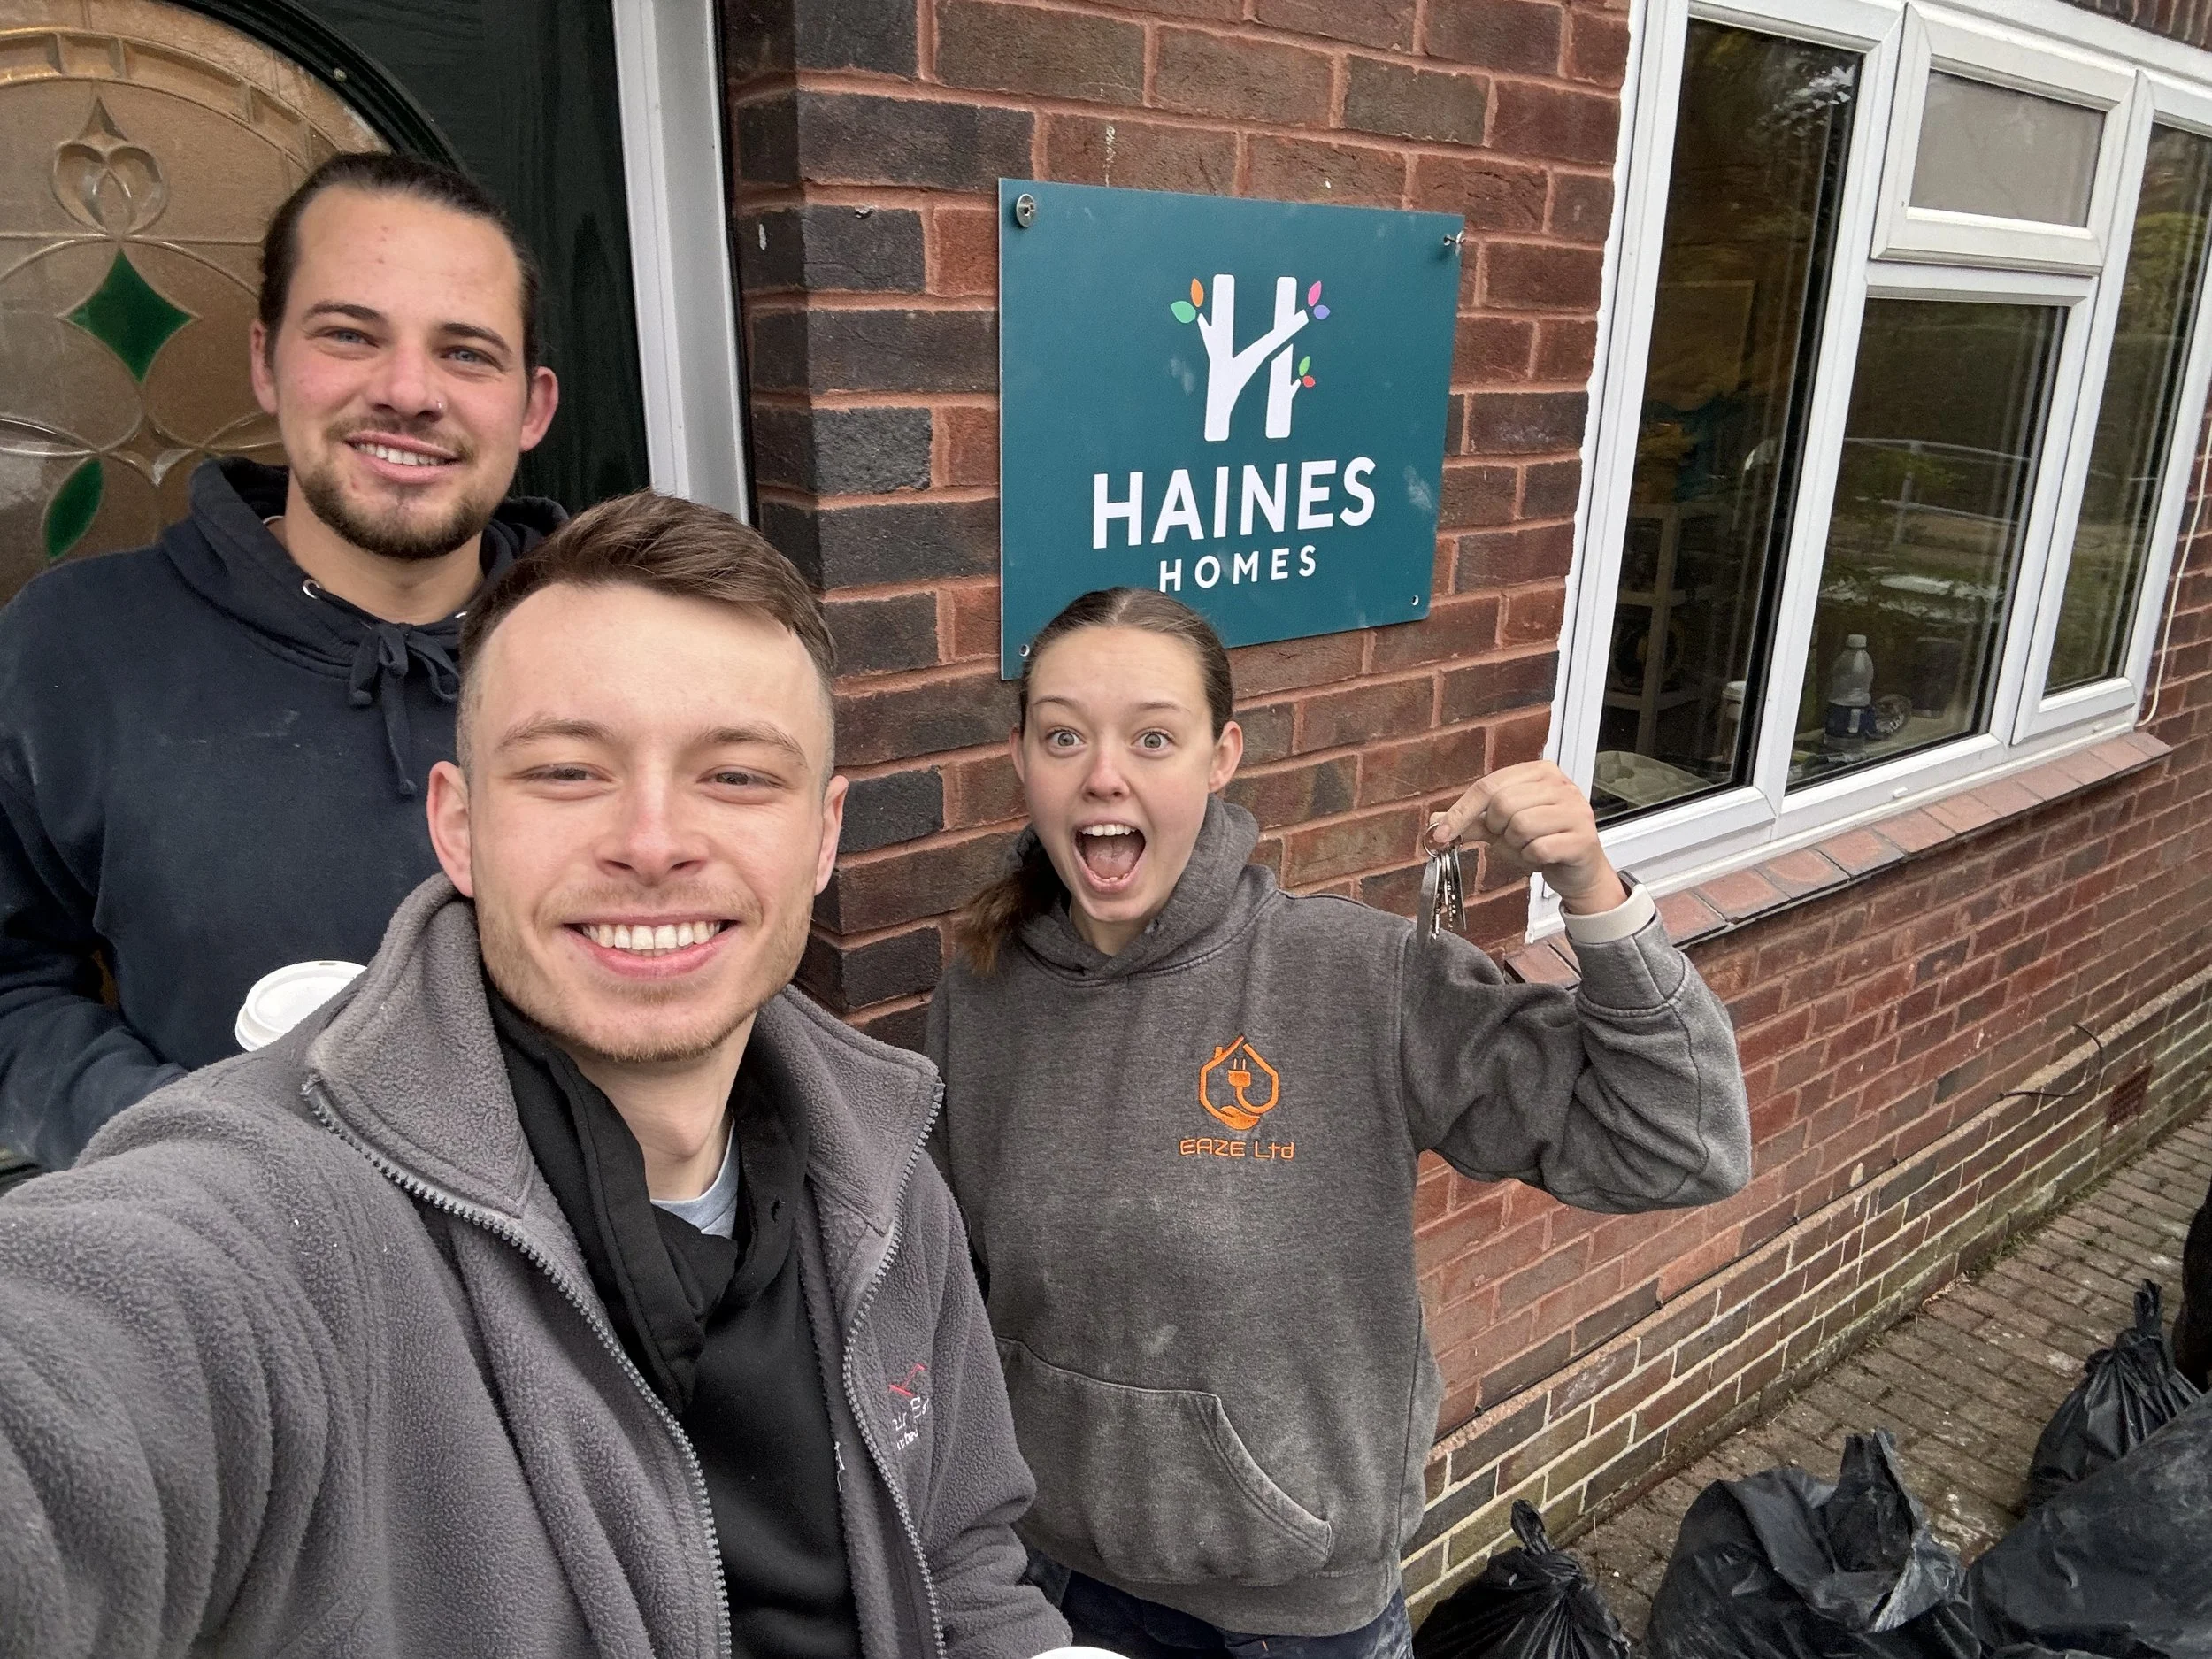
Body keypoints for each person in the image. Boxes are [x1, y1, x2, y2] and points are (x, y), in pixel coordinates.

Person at [0, 492, 1068, 1659]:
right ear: (458, 825)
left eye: (738, 777)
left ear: (822, 836)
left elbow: (962, 1559)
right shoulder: (279, 1228)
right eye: (567, 770)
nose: (654, 839)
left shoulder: (885, 1178)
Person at [927, 588, 1752, 1658]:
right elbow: (951, 1289)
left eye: (1153, 737)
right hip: (1051, 1588)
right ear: (1022, 756)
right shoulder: (984, 995)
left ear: (1221, 758)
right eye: (1065, 736)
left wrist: (1593, 892)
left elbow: (1680, 1142)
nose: (1104, 775)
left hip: (1293, 1620)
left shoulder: (1359, 979)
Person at [0, 150, 565, 1171]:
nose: (407, 391)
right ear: (266, 361)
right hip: (247, 1284)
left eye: (467, 353)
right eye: (350, 335)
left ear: (531, 407)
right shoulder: (77, 649)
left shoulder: (629, 644)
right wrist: (193, 1149)